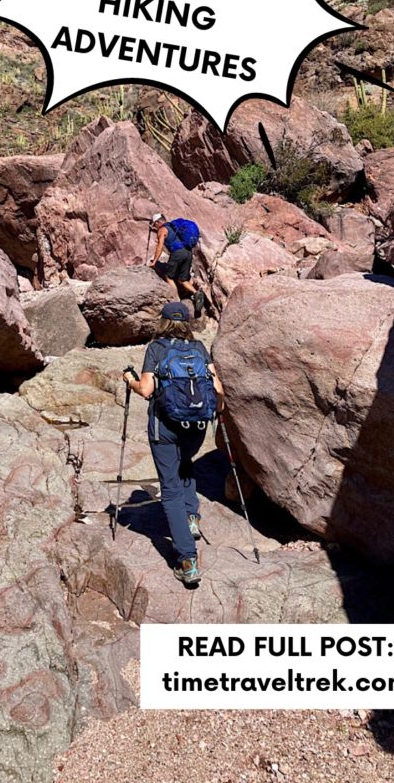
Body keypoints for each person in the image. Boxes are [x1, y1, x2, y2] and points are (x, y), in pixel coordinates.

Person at [123, 302, 224, 586]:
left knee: (169, 492)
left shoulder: (156, 349)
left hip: (164, 428)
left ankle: (187, 560)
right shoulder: (200, 348)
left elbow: (145, 389)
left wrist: (130, 380)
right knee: (185, 461)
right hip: (196, 428)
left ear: (163, 322)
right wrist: (219, 413)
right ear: (187, 323)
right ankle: (192, 518)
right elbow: (218, 390)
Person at [149, 214, 206, 315]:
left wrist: (154, 262)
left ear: (158, 222)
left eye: (155, 224)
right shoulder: (174, 227)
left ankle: (176, 301)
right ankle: (196, 293)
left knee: (169, 276)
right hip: (188, 253)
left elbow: (160, 246)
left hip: (177, 253)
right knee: (182, 280)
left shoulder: (162, 230)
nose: (155, 227)